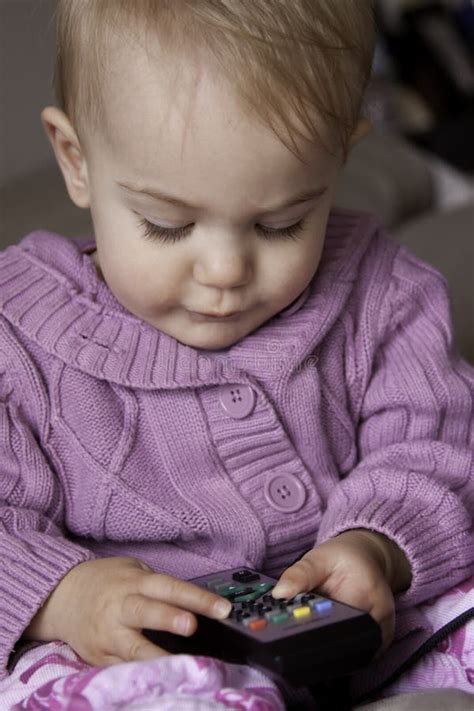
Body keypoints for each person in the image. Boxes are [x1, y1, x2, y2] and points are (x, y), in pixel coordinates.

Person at [0, 1, 472, 709]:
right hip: (131, 653)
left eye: (280, 223)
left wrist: (378, 546)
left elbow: (435, 443)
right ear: (77, 161)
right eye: (167, 225)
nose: (224, 270)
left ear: (341, 156)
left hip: (361, 628)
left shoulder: (385, 294)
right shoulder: (18, 339)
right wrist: (63, 595)